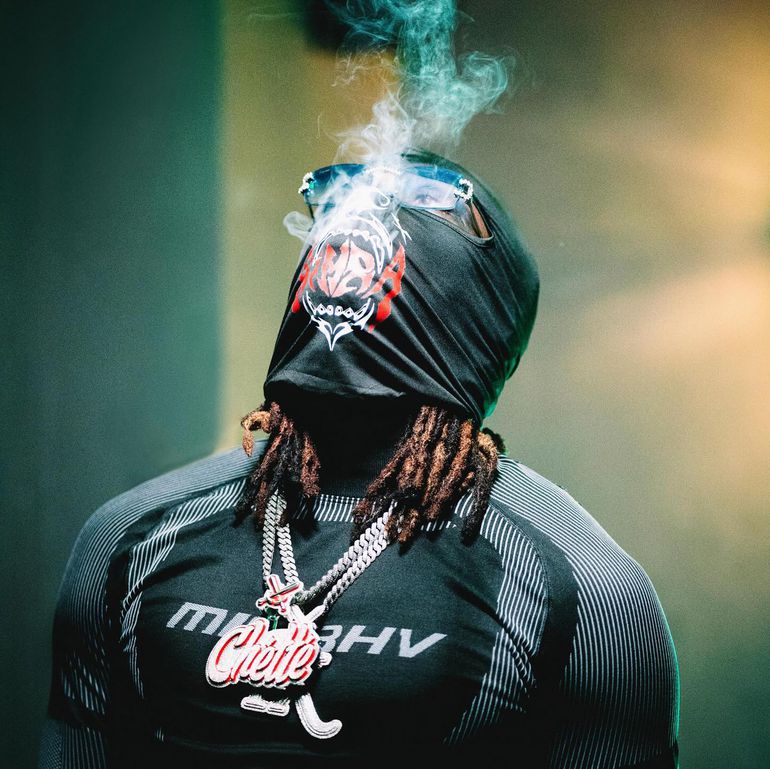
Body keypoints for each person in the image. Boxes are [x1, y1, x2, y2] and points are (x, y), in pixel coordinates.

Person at [39, 150, 680, 768]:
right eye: (347, 200)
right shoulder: (126, 539)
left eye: (421, 199)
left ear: (482, 313)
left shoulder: (583, 589)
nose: (365, 214)